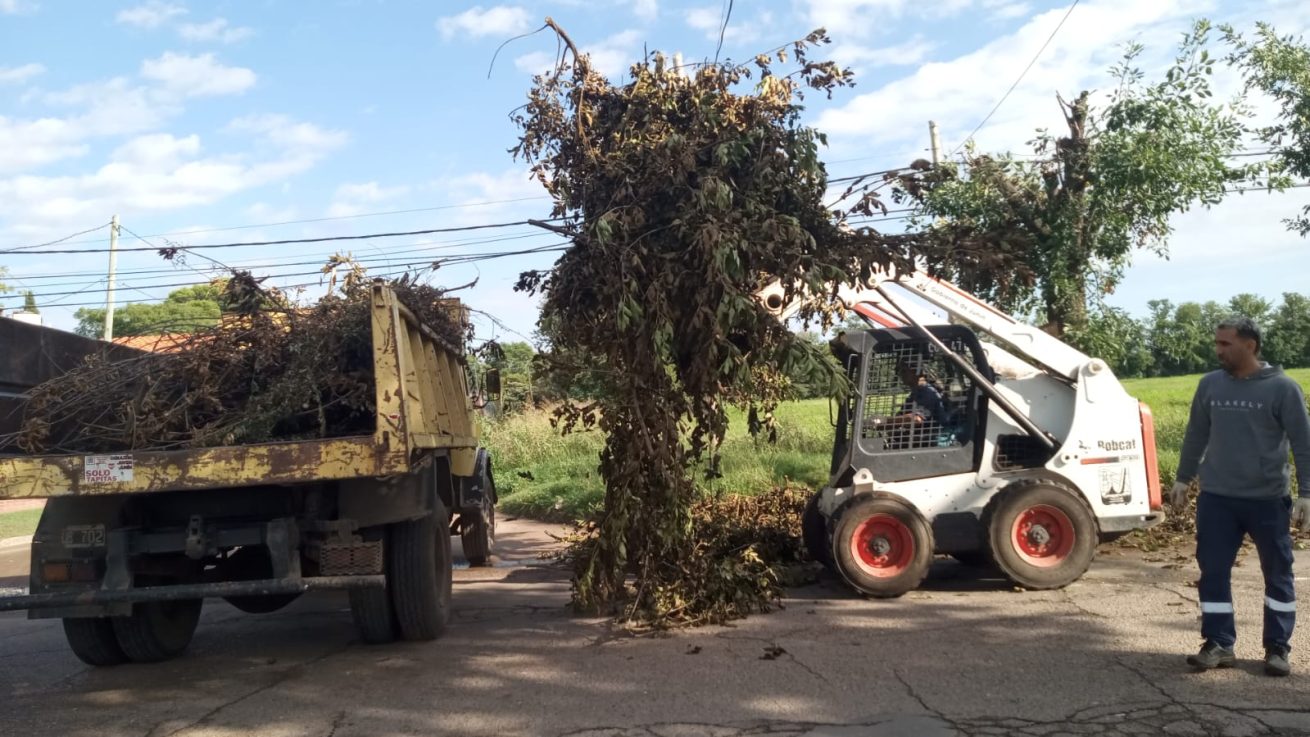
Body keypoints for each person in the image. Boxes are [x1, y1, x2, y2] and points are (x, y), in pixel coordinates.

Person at [1171, 316, 1310, 677]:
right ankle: (1219, 643)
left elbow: (1303, 444)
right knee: (1213, 572)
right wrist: (1183, 478)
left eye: (1225, 344)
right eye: (1217, 343)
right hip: (1218, 498)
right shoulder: (1210, 385)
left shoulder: (1282, 388)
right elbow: (1196, 434)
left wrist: (1307, 494)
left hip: (1267, 499)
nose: (1218, 350)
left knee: (1277, 573)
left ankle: (1277, 648)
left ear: (1250, 345)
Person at [876, 358, 951, 449]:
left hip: (928, 445)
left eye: (904, 371)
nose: (900, 374)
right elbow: (900, 418)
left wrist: (884, 420)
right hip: (917, 441)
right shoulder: (914, 394)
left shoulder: (928, 393)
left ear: (916, 371)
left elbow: (916, 419)